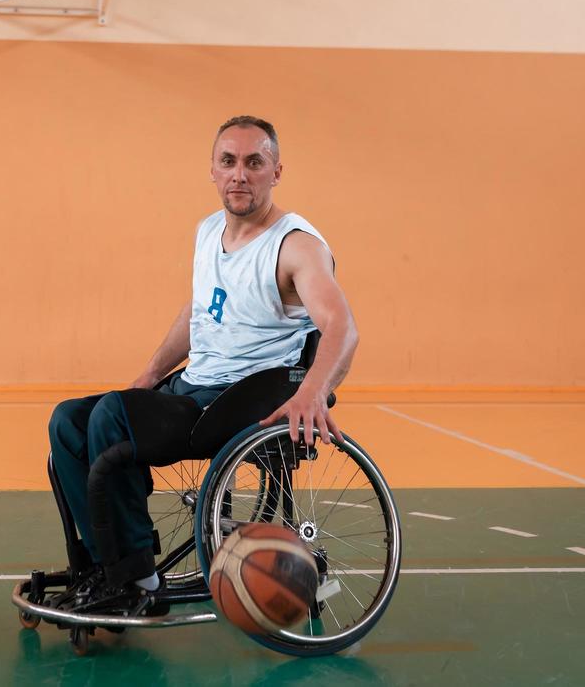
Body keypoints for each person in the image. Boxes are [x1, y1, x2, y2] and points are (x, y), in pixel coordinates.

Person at [46, 115, 359, 605]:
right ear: (212, 170)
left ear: (276, 172)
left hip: (242, 397)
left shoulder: (295, 247)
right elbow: (199, 310)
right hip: (193, 386)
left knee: (113, 418)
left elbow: (343, 328)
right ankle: (101, 561)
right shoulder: (209, 231)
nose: (240, 174)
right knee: (68, 420)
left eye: (254, 162)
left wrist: (313, 391)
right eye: (228, 162)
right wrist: (150, 375)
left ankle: (134, 578)